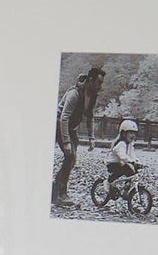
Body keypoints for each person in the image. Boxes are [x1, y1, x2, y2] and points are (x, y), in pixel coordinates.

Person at [53, 65, 105, 208]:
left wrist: (91, 137)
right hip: (60, 125)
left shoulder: (93, 96)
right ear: (90, 80)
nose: (100, 86)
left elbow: (90, 117)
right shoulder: (74, 94)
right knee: (70, 156)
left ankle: (55, 191)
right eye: (99, 82)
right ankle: (61, 194)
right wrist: (66, 142)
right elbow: (64, 117)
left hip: (72, 128)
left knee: (72, 160)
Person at [105, 119, 140, 199]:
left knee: (131, 174)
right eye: (131, 133)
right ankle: (108, 182)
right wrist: (130, 161)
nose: (133, 135)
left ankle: (126, 190)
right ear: (124, 133)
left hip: (121, 163)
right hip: (112, 163)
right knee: (118, 171)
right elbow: (122, 155)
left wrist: (137, 161)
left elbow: (132, 155)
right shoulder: (121, 144)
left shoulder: (130, 144)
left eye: (134, 133)